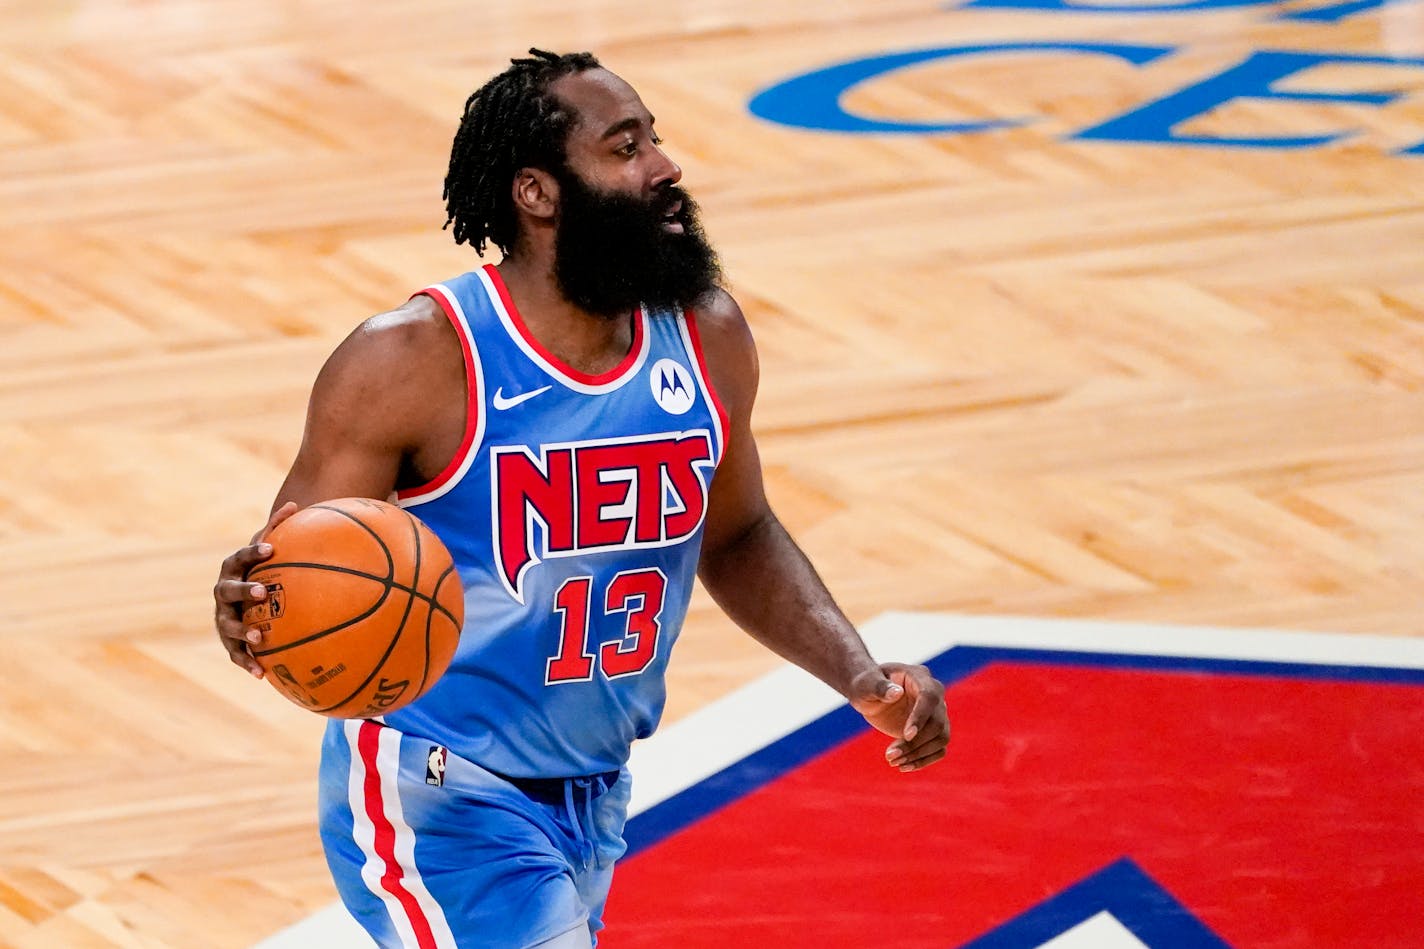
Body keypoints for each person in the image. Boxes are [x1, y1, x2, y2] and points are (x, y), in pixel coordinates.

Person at [212, 49, 949, 949]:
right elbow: (289, 576)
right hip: (440, 783)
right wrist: (252, 612)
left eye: (656, 141)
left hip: (593, 785)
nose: (665, 168)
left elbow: (740, 533)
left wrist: (859, 675)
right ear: (538, 192)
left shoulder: (706, 335)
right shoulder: (414, 359)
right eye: (625, 147)